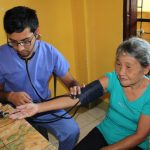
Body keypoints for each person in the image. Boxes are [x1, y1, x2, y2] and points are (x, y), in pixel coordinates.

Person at [10, 37, 150, 150]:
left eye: (128, 67)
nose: (121, 72)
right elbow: (79, 97)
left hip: (134, 144)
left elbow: (140, 136)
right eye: (118, 64)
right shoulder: (113, 78)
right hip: (105, 132)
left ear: (146, 69)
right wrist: (37, 107)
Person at [0, 6, 80, 150]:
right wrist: (10, 96)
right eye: (13, 42)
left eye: (25, 41)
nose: (19, 48)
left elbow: (70, 81)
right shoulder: (1, 55)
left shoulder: (50, 52)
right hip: (14, 110)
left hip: (44, 107)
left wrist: (74, 85)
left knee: (72, 131)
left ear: (37, 32)